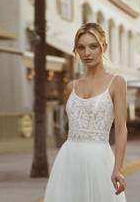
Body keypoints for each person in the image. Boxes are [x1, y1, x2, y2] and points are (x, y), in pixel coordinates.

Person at [44, 22, 128, 202]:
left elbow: (121, 129)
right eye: (81, 47)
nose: (87, 53)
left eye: (93, 46)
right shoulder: (71, 87)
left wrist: (117, 168)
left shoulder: (117, 82)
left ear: (103, 47)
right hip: (69, 160)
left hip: (99, 161)